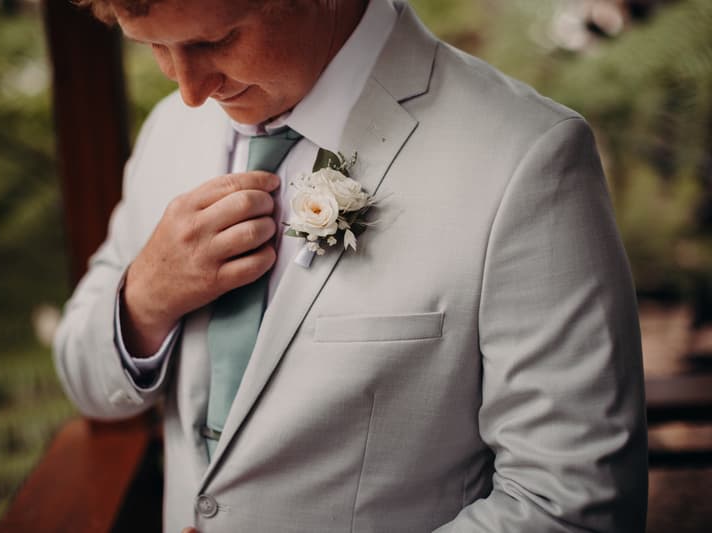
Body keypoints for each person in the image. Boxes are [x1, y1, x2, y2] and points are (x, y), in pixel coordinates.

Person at [53, 0, 648, 531]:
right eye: (155, 47)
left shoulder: (527, 157)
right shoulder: (168, 134)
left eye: (216, 41)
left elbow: (573, 501)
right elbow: (86, 381)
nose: (190, 89)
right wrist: (145, 301)